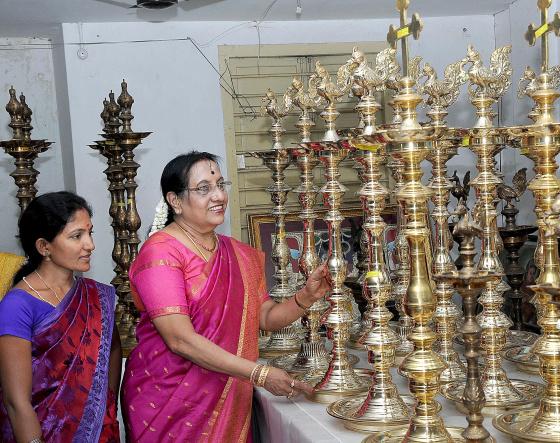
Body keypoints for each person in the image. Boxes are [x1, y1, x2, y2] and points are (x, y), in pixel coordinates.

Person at [122, 151, 330, 442]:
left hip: (226, 390)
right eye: (204, 189)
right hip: (169, 399)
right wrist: (260, 374)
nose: (218, 195)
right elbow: (179, 339)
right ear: (175, 201)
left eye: (221, 184)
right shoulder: (161, 253)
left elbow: (266, 317)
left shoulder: (237, 253)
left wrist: (304, 298)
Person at [0, 191, 121, 443]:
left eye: (90, 233)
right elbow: (16, 401)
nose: (90, 244)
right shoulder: (17, 305)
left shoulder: (94, 295)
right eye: (77, 236)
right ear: (44, 246)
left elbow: (113, 348)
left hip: (99, 432)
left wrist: (103, 405)